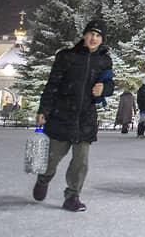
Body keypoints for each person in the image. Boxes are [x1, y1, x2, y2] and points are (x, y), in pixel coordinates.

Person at [33, 19, 114, 212]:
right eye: (91, 34)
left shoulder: (104, 61)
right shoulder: (67, 57)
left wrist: (104, 89)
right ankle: (44, 179)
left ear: (102, 39)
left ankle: (72, 196)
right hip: (63, 114)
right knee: (53, 157)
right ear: (85, 35)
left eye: (98, 35)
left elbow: (110, 84)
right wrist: (44, 110)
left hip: (85, 117)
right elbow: (52, 85)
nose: (94, 38)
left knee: (81, 162)